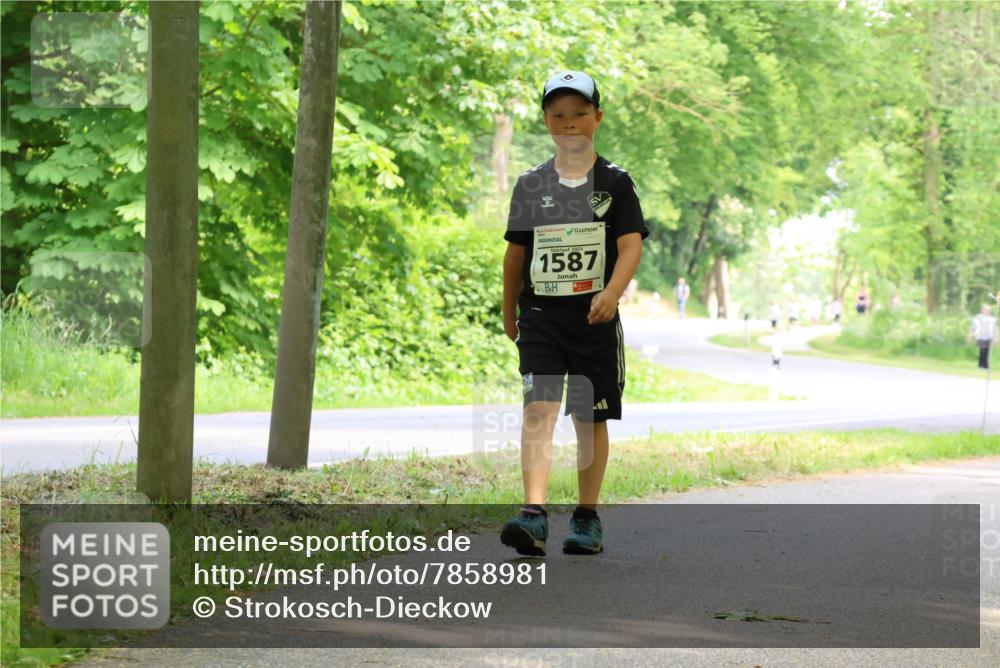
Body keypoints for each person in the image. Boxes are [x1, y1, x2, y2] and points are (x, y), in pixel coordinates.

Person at [501, 70, 647, 556]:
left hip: (594, 320)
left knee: (588, 415)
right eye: (558, 116)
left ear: (597, 118)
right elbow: (515, 257)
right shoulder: (530, 184)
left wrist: (612, 292)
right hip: (540, 315)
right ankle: (533, 514)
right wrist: (508, 310)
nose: (569, 125)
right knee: (538, 408)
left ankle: (586, 518)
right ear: (546, 121)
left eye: (579, 114)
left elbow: (630, 246)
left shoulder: (616, 183)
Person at [967, 304, 998, 370]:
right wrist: (970, 336)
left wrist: (995, 337)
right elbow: (973, 327)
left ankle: (984, 366)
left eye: (988, 310)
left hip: (989, 337)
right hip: (980, 336)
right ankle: (982, 366)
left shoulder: (992, 319)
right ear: (982, 310)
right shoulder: (977, 317)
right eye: (986, 310)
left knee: (987, 351)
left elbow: (994, 329)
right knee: (983, 350)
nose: (987, 311)